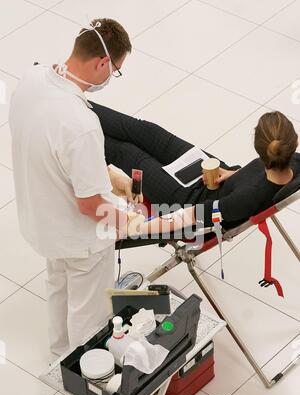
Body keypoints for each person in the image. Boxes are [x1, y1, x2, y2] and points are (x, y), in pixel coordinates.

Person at [9, 19, 140, 362]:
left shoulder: (32, 80)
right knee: (89, 311)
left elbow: (51, 149)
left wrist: (109, 175)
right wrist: (128, 221)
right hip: (80, 238)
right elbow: (90, 205)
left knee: (59, 288)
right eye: (115, 70)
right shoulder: (80, 122)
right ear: (101, 63)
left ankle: (60, 353)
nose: (111, 78)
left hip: (43, 220)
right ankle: (85, 372)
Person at [88, 104, 300, 233]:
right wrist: (235, 174)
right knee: (144, 130)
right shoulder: (293, 161)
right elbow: (259, 178)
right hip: (219, 177)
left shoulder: (244, 200)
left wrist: (133, 227)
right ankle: (75, 102)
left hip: (188, 199)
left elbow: (188, 217)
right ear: (294, 143)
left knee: (127, 152)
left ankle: (71, 131)